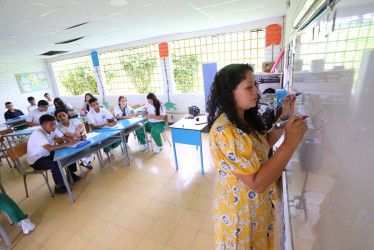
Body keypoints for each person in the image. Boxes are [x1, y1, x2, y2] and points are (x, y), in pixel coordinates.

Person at [207, 64, 307, 249]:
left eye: (255, 85)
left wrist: (285, 116)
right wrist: (290, 144)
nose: (256, 91)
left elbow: (265, 143)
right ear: (230, 92)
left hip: (257, 210)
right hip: (239, 216)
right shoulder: (225, 131)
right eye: (249, 86)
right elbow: (257, 183)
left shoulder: (245, 119)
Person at [27, 115, 81, 194]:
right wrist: (67, 144)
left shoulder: (53, 129)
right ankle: (58, 186)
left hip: (47, 153)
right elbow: (49, 148)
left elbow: (64, 138)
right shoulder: (37, 134)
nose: (54, 126)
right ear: (43, 125)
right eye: (51, 125)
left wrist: (75, 139)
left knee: (67, 153)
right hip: (37, 159)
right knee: (55, 165)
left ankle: (71, 174)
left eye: (54, 124)